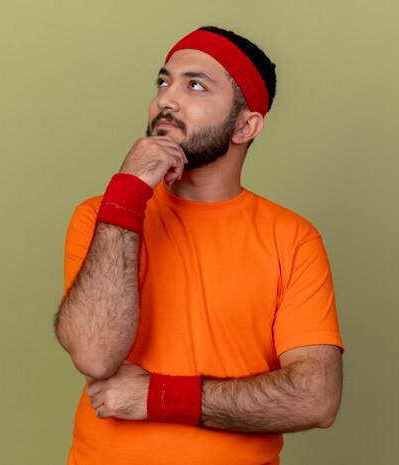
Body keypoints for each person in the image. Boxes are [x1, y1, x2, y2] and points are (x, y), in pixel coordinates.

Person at [54, 26, 344, 465]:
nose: (166, 100)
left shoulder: (293, 239)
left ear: (246, 125)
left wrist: (157, 397)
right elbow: (95, 354)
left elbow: (316, 398)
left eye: (194, 85)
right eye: (162, 82)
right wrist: (128, 190)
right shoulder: (104, 215)